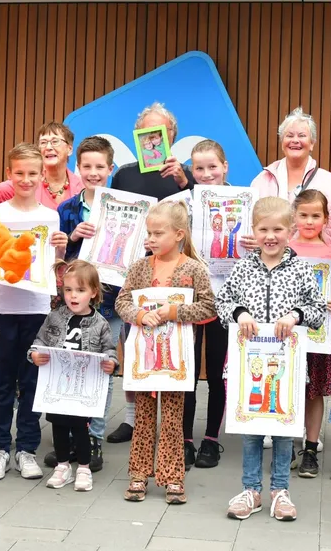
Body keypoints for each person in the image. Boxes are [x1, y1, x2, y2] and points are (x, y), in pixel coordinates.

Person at [217, 197, 327, 522]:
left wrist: (295, 315)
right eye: (264, 229)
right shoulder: (243, 267)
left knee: (282, 428)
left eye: (278, 229)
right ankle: (251, 489)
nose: (270, 236)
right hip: (247, 364)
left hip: (286, 365)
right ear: (254, 230)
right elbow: (223, 302)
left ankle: (281, 491)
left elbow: (318, 309)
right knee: (251, 428)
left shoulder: (301, 269)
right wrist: (240, 314)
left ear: (290, 230)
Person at [115, 201, 217, 504]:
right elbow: (122, 301)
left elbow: (209, 307)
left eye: (159, 233)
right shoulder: (139, 268)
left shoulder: (194, 269)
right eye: (149, 233)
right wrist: (137, 315)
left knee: (173, 418)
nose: (152, 239)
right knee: (144, 415)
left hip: (176, 359)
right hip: (145, 358)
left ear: (179, 234)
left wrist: (175, 310)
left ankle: (173, 476)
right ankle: (138, 473)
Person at [107, 103, 197, 445]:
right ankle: (133, 420)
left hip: (177, 276)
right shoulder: (125, 174)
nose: (152, 140)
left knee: (175, 346)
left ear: (171, 136)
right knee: (134, 346)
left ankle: (175, 429)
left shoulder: (185, 174)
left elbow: (200, 219)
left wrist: (183, 180)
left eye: (159, 133)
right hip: (136, 273)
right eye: (145, 133)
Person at [0, 144, 68, 481]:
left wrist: (59, 248)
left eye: (33, 173)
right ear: (9, 174)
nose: (26, 179)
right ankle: (0, 447)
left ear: (42, 175)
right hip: (2, 308)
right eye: (19, 173)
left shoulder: (50, 216)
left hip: (36, 309)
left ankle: (27, 449)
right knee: (1, 381)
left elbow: (53, 263)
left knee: (32, 380)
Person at [42, 136, 119, 473]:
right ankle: (71, 436)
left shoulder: (127, 207)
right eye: (86, 166)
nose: (93, 172)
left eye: (99, 166)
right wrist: (72, 238)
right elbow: (57, 259)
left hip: (112, 302)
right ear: (78, 168)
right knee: (70, 363)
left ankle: (93, 438)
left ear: (110, 169)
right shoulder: (67, 209)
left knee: (103, 367)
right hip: (73, 303)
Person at [28, 260, 119, 492]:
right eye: (68, 290)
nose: (73, 296)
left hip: (83, 387)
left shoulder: (100, 323)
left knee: (80, 428)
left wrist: (111, 363)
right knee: (58, 426)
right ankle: (62, 466)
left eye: (80, 290)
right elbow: (39, 342)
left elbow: (109, 350)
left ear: (93, 292)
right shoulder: (55, 317)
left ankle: (84, 468)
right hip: (58, 385)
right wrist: (35, 354)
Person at [287, 189, 331, 478]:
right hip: (285, 335)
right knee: (287, 385)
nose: (309, 221)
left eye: (315, 216)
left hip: (317, 336)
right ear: (294, 216)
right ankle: (287, 443)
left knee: (313, 392)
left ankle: (310, 447)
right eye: (303, 215)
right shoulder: (283, 249)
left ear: (326, 219)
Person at [184, 139, 231, 469]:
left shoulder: (242, 201)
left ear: (225, 166)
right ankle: (184, 439)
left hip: (226, 299)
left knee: (216, 373)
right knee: (186, 372)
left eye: (212, 166)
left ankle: (211, 440)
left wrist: (251, 241)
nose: (206, 173)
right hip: (189, 297)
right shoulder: (184, 203)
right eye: (198, 168)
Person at [249, 107, 331, 250]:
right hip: (269, 263)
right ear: (282, 142)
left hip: (318, 265)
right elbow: (250, 225)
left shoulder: (329, 181)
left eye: (302, 135)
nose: (295, 140)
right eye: (289, 135)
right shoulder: (261, 180)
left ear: (312, 143)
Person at [0, 122, 85, 209]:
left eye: (55, 141)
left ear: (69, 149)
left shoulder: (83, 187)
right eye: (43, 143)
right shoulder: (25, 182)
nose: (49, 147)